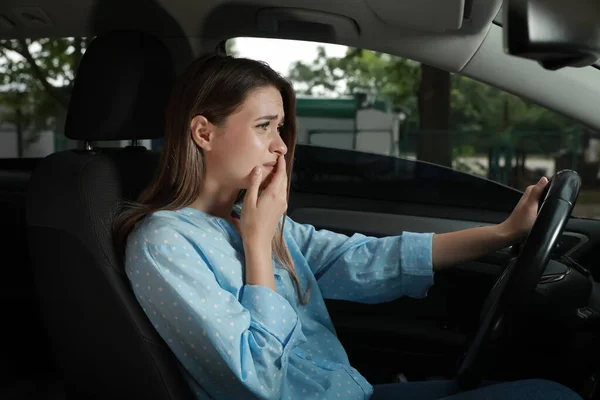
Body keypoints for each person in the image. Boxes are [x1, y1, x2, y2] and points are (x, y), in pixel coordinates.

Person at [113, 54, 581, 400]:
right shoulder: (164, 242)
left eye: (281, 129)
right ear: (203, 133)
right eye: (264, 126)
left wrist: (503, 234)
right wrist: (257, 244)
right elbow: (254, 381)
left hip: (349, 390)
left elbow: (363, 260)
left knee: (546, 390)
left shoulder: (249, 221)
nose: (279, 147)